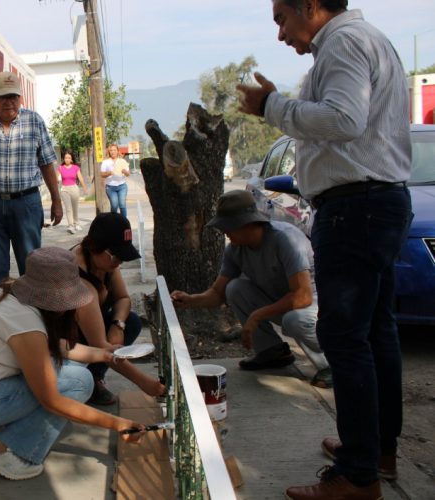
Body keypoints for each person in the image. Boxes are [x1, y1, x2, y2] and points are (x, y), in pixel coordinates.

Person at [237, 1, 412, 498]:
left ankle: (359, 476)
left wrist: (274, 107)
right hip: (372, 202)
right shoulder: (361, 41)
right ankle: (375, 449)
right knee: (375, 333)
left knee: (345, 337)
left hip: (356, 207)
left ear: (310, 6)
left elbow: (343, 119)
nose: (279, 34)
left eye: (281, 19)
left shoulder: (344, 42)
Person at [0, 247, 165, 480]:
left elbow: (58, 346)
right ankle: (6, 450)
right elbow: (53, 401)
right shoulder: (25, 323)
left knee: (75, 371)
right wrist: (118, 424)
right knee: (79, 383)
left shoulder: (12, 295)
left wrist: (105, 355)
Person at [169, 191, 331, 388]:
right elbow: (218, 293)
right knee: (235, 288)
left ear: (245, 224)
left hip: (320, 307)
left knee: (295, 320)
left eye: (226, 226)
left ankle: (334, 363)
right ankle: (272, 352)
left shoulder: (285, 239)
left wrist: (258, 315)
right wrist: (191, 300)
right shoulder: (235, 249)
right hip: (284, 303)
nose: (224, 232)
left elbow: (303, 297)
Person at [0, 71, 62, 288]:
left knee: (32, 267)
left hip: (26, 204)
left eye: (13, 97)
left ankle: (35, 318)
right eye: (3, 97)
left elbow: (46, 163)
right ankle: (0, 320)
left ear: (21, 98)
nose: (9, 102)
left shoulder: (34, 121)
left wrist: (57, 200)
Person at [70, 212, 159, 405]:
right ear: (94, 247)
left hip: (93, 327)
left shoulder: (105, 261)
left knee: (131, 321)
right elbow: (102, 347)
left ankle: (95, 376)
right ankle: (84, 379)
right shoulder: (79, 281)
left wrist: (117, 325)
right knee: (109, 342)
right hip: (68, 338)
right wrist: (145, 383)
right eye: (116, 256)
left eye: (122, 256)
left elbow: (123, 298)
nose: (119, 262)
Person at [57, 151, 88, 234]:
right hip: (64, 189)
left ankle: (76, 223)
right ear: (64, 158)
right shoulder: (60, 168)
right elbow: (57, 178)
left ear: (71, 159)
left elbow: (80, 178)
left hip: (74, 188)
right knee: (68, 208)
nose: (67, 159)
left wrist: (84, 187)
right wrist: (57, 180)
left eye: (69, 158)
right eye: (66, 158)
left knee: (75, 207)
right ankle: (70, 225)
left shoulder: (75, 167)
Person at [100, 144, 130, 217]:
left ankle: (124, 224)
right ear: (109, 152)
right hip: (110, 187)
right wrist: (109, 172)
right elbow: (102, 174)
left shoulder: (122, 161)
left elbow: (128, 174)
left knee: (122, 204)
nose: (113, 152)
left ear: (117, 151)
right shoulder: (106, 162)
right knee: (114, 205)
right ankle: (114, 223)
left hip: (122, 186)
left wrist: (124, 171)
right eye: (111, 150)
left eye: (114, 150)